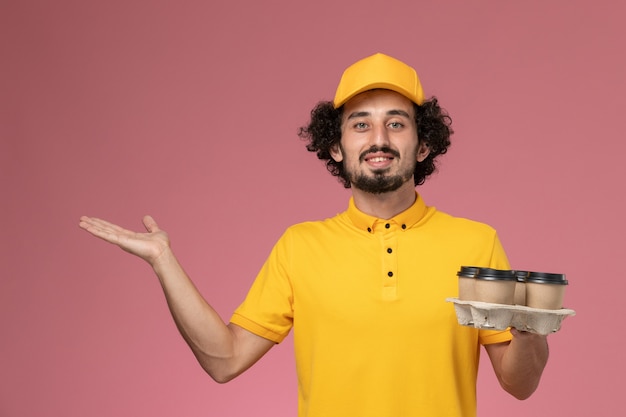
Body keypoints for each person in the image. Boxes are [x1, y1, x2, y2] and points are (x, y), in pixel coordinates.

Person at [79, 53, 549, 417]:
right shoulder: (299, 246)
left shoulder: (476, 242)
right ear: (337, 147)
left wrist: (530, 330)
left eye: (396, 122)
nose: (378, 137)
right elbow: (224, 360)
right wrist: (164, 261)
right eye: (360, 124)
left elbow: (519, 384)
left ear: (423, 144)